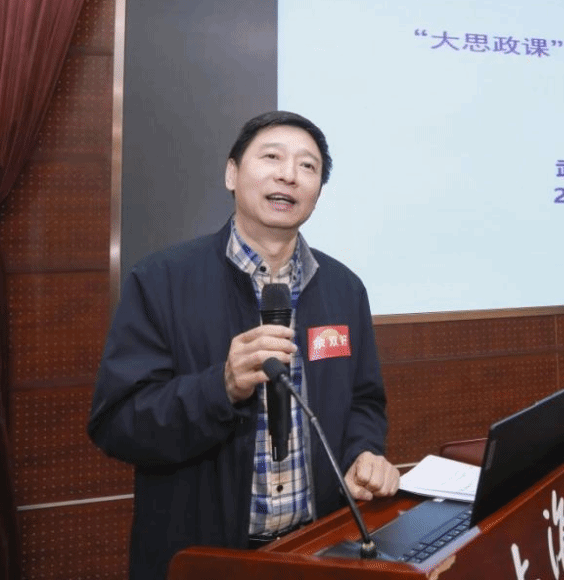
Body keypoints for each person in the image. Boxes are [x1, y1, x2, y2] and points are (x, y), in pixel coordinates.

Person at [88, 110, 399, 580]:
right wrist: (221, 386)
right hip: (206, 556)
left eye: (308, 166)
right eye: (271, 157)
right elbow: (117, 423)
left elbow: (364, 401)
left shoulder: (344, 288)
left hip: (320, 548)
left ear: (318, 190)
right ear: (231, 174)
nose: (289, 175)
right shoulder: (160, 280)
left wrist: (363, 453)